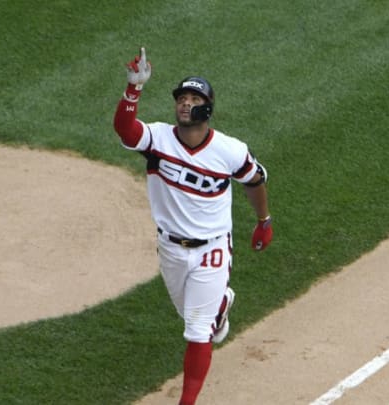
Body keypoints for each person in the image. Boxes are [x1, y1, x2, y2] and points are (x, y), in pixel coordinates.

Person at [112, 47, 273, 405]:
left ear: (207, 108)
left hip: (212, 248)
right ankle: (221, 303)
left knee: (197, 331)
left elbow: (254, 181)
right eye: (181, 98)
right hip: (170, 247)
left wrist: (264, 221)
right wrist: (133, 88)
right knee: (201, 324)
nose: (185, 104)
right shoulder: (159, 139)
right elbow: (125, 130)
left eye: (193, 98)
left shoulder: (230, 151)